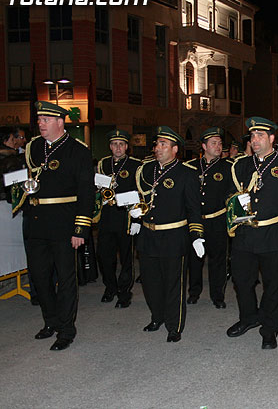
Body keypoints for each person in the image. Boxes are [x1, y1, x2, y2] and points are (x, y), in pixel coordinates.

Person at [225, 117, 278, 349]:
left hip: (273, 233)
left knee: (272, 285)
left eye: (261, 136)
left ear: (272, 138)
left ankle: (269, 328)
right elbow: (228, 196)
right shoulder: (240, 165)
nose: (255, 140)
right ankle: (249, 317)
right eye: (252, 136)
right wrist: (234, 200)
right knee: (242, 281)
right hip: (245, 234)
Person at [22, 101, 94, 351]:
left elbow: (86, 193)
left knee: (65, 279)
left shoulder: (78, 150)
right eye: (39, 119)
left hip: (64, 224)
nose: (40, 123)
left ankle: (66, 328)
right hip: (37, 222)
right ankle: (50, 321)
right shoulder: (33, 147)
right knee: (40, 277)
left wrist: (80, 228)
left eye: (45, 119)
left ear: (60, 122)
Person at [130, 126, 204, 343]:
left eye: (163, 145)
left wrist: (197, 235)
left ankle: (174, 325)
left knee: (173, 284)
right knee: (151, 282)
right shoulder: (145, 170)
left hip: (173, 236)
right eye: (157, 144)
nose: (158, 148)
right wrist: (134, 216)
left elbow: (193, 209)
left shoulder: (186, 174)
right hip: (148, 236)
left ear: (175, 149)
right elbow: (140, 198)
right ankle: (157, 317)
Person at [183, 127, 234, 308]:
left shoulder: (228, 167)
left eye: (220, 143)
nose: (218, 146)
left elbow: (232, 192)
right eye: (214, 143)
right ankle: (194, 291)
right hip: (196, 220)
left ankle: (217, 295)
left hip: (217, 220)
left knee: (218, 259)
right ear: (204, 146)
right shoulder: (190, 167)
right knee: (194, 259)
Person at [95, 130, 142, 308]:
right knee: (104, 256)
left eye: (121, 144)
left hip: (126, 217)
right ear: (110, 146)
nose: (118, 147)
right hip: (107, 217)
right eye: (115, 144)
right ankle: (110, 287)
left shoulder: (135, 165)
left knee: (126, 257)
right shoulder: (103, 163)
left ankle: (124, 292)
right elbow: (99, 187)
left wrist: (137, 219)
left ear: (127, 147)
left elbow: (139, 193)